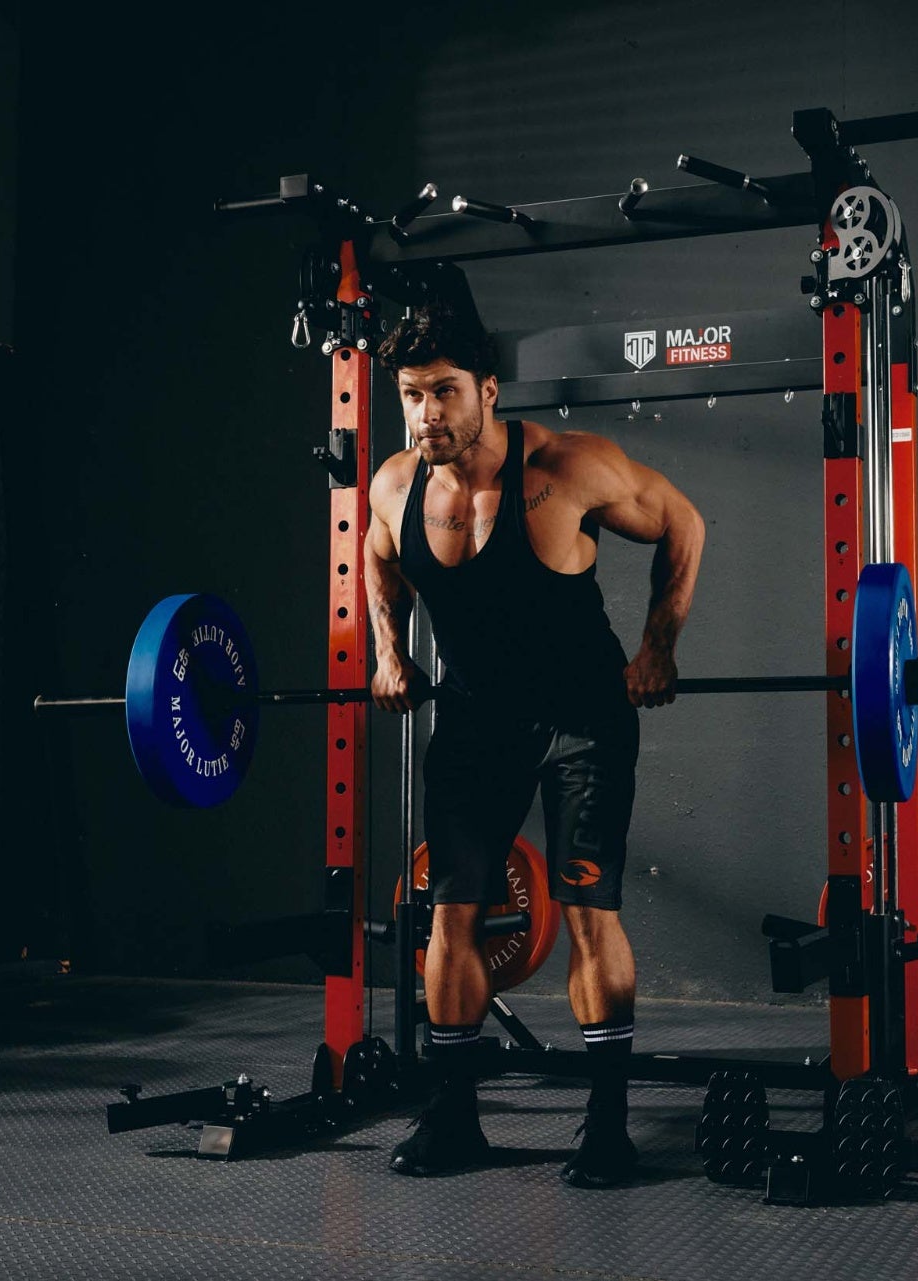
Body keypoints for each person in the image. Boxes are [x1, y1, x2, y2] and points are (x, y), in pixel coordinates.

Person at [364, 300, 704, 1188]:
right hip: (476, 724)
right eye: (411, 395)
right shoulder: (396, 486)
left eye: (445, 392)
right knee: (451, 915)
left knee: (591, 911)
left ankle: (607, 1124)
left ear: (487, 390)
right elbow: (377, 558)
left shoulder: (566, 467)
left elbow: (683, 523)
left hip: (582, 722)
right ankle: (454, 1116)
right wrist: (389, 653)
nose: (428, 413)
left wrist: (657, 646)